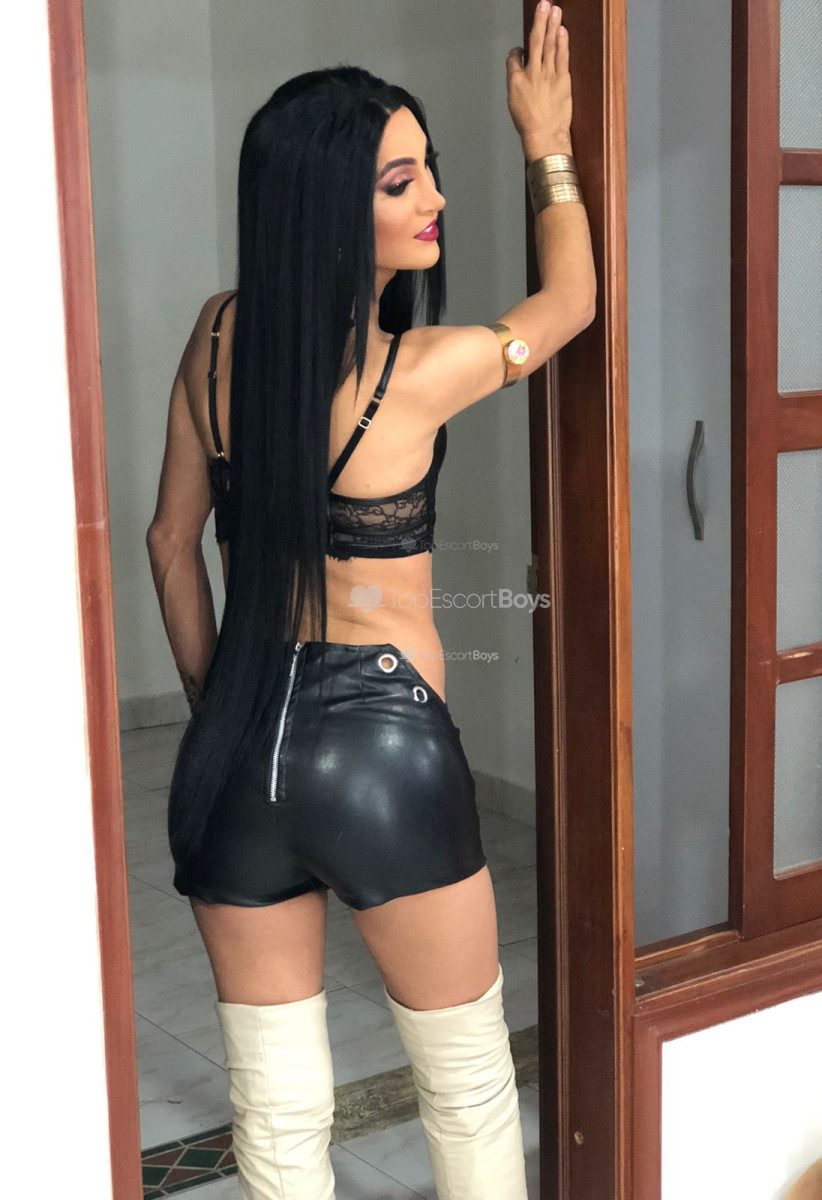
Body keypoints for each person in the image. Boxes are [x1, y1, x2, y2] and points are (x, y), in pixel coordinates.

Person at [146, 3, 594, 1196]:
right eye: (401, 181)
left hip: (238, 749)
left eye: (429, 166)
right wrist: (547, 143)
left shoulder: (214, 338)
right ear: (328, 205)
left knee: (278, 1113)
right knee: (466, 1084)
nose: (434, 196)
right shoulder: (417, 370)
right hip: (384, 747)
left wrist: (222, 708)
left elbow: (171, 544)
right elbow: (569, 303)